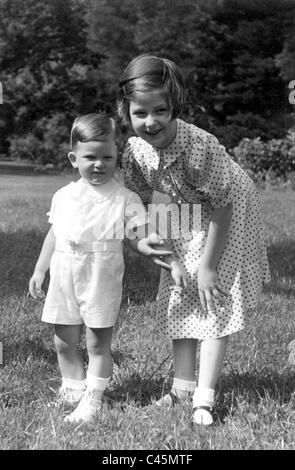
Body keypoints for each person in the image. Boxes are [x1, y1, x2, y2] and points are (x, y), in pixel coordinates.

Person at [117, 55, 270, 426]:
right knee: (179, 291)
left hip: (227, 210)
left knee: (211, 295)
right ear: (125, 111)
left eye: (160, 110)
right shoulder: (135, 150)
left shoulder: (199, 147)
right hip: (184, 208)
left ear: (174, 107)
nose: (150, 121)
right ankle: (182, 388)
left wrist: (208, 267)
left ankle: (204, 397)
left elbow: (222, 206)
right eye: (140, 113)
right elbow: (136, 202)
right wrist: (145, 239)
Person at [29, 113, 185, 424]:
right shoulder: (64, 196)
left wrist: (151, 246)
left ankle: (93, 398)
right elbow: (54, 233)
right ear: (74, 158)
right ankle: (72, 387)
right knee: (63, 338)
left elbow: (138, 234)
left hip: (100, 275)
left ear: (118, 158)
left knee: (96, 341)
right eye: (90, 157)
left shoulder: (124, 198)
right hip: (63, 274)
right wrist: (39, 270)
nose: (99, 164)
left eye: (107, 157)